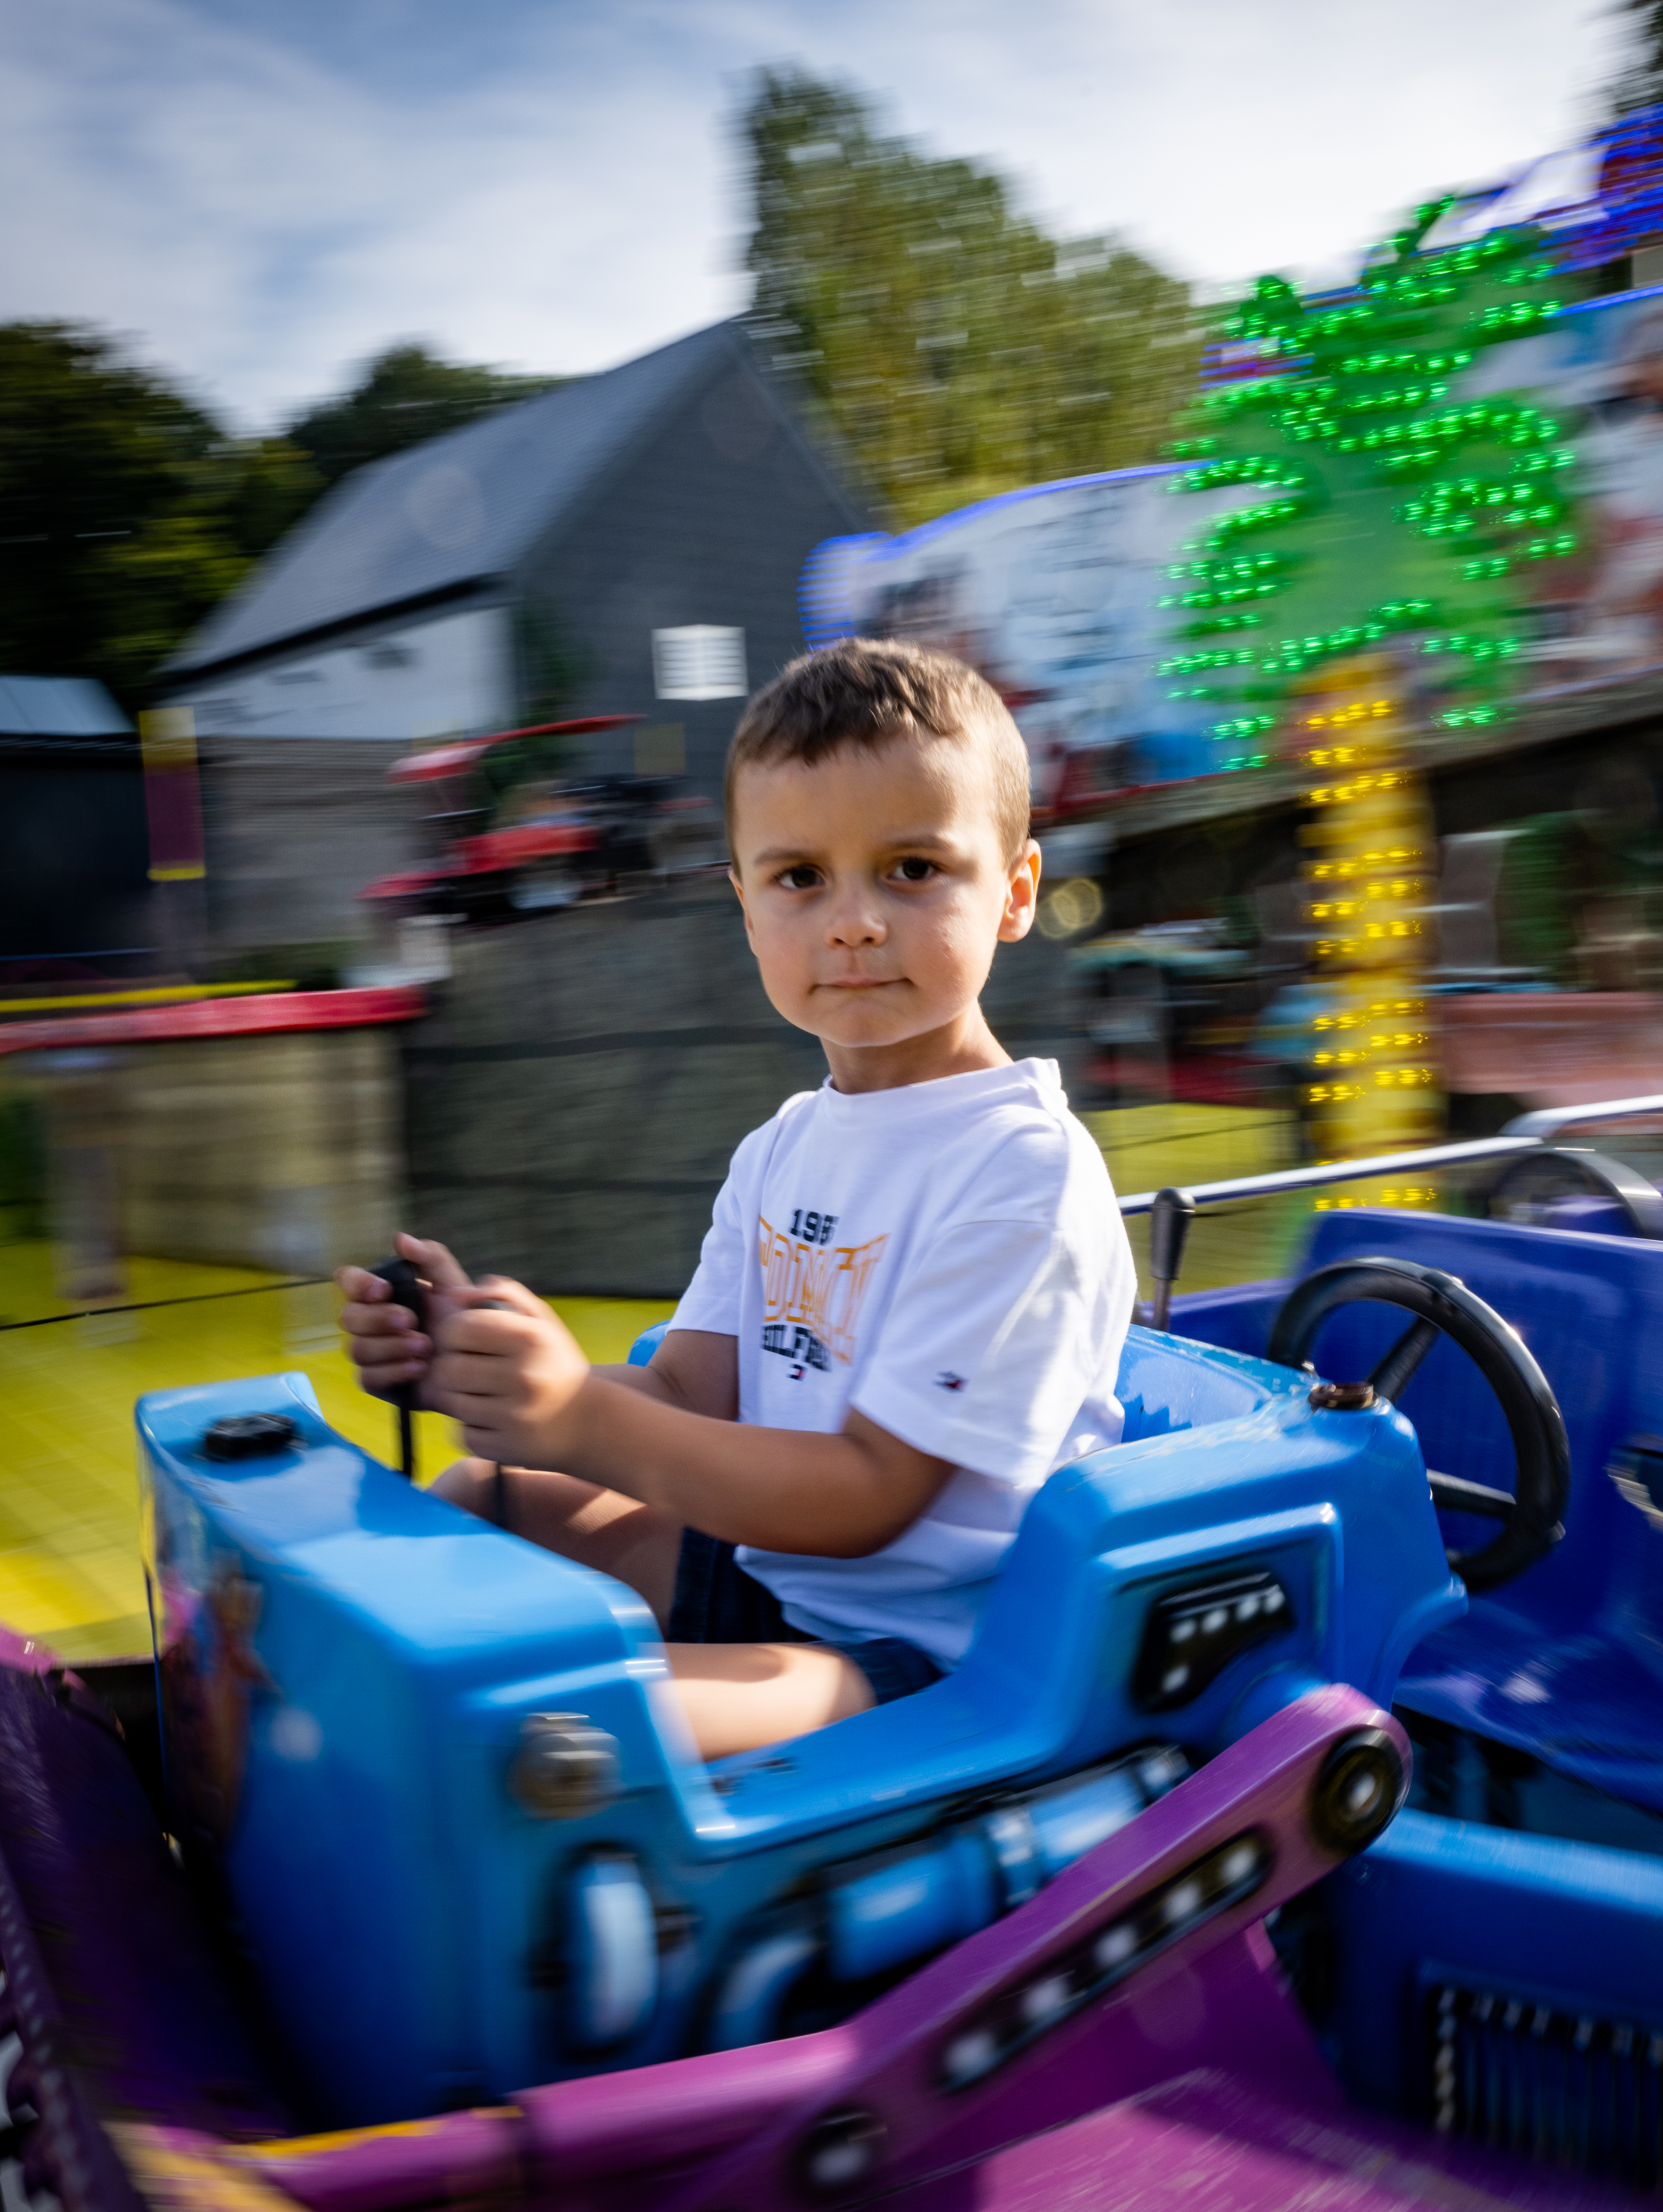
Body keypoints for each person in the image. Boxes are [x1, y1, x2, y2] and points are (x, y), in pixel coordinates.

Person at [336, 640, 1135, 1760]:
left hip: (932, 1657)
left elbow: (869, 1495)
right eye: (800, 877)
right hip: (771, 1573)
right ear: (749, 910)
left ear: (1013, 892)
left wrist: (581, 1419)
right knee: (486, 1489)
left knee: (532, 1723)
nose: (851, 921)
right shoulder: (782, 1148)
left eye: (911, 869)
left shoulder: (1020, 1173)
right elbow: (686, 1393)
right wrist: (483, 1372)